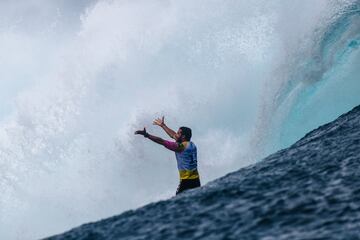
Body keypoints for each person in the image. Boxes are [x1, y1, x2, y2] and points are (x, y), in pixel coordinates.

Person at [135, 116, 200, 195]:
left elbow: (162, 141)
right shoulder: (192, 145)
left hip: (186, 181)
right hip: (196, 180)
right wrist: (163, 125)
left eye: (178, 133)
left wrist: (147, 135)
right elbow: (173, 135)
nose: (176, 134)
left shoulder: (180, 147)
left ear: (183, 136)